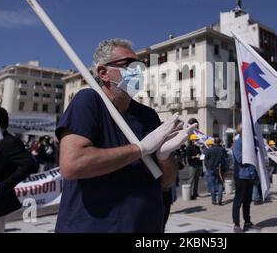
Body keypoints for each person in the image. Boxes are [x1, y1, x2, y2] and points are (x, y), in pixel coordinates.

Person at [55, 39, 194, 232]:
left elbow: (168, 181)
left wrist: (164, 157)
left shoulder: (148, 116)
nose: (139, 72)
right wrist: (140, 149)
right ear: (103, 73)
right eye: (130, 65)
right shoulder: (88, 101)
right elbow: (72, 164)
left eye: (141, 66)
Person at [231, 124, 261, 233]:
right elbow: (239, 159)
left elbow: (257, 156)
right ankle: (236, 224)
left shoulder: (251, 142)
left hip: (250, 176)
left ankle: (247, 222)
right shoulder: (238, 143)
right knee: (238, 201)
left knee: (247, 201)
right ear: (241, 132)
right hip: (241, 176)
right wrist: (250, 155)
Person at [204, 139, 227, 206]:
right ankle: (219, 199)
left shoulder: (209, 150)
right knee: (220, 184)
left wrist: (208, 167)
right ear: (219, 142)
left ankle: (214, 200)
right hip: (220, 169)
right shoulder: (222, 149)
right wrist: (225, 169)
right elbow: (225, 160)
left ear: (214, 142)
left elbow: (205, 161)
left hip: (211, 169)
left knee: (212, 185)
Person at [185, 134, 202, 200]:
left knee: (196, 180)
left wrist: (201, 156)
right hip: (192, 165)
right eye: (196, 140)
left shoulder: (197, 147)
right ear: (192, 140)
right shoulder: (189, 147)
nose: (197, 141)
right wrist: (195, 156)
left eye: (197, 140)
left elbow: (200, 154)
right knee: (191, 180)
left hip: (198, 165)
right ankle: (189, 194)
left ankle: (195, 193)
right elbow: (188, 157)